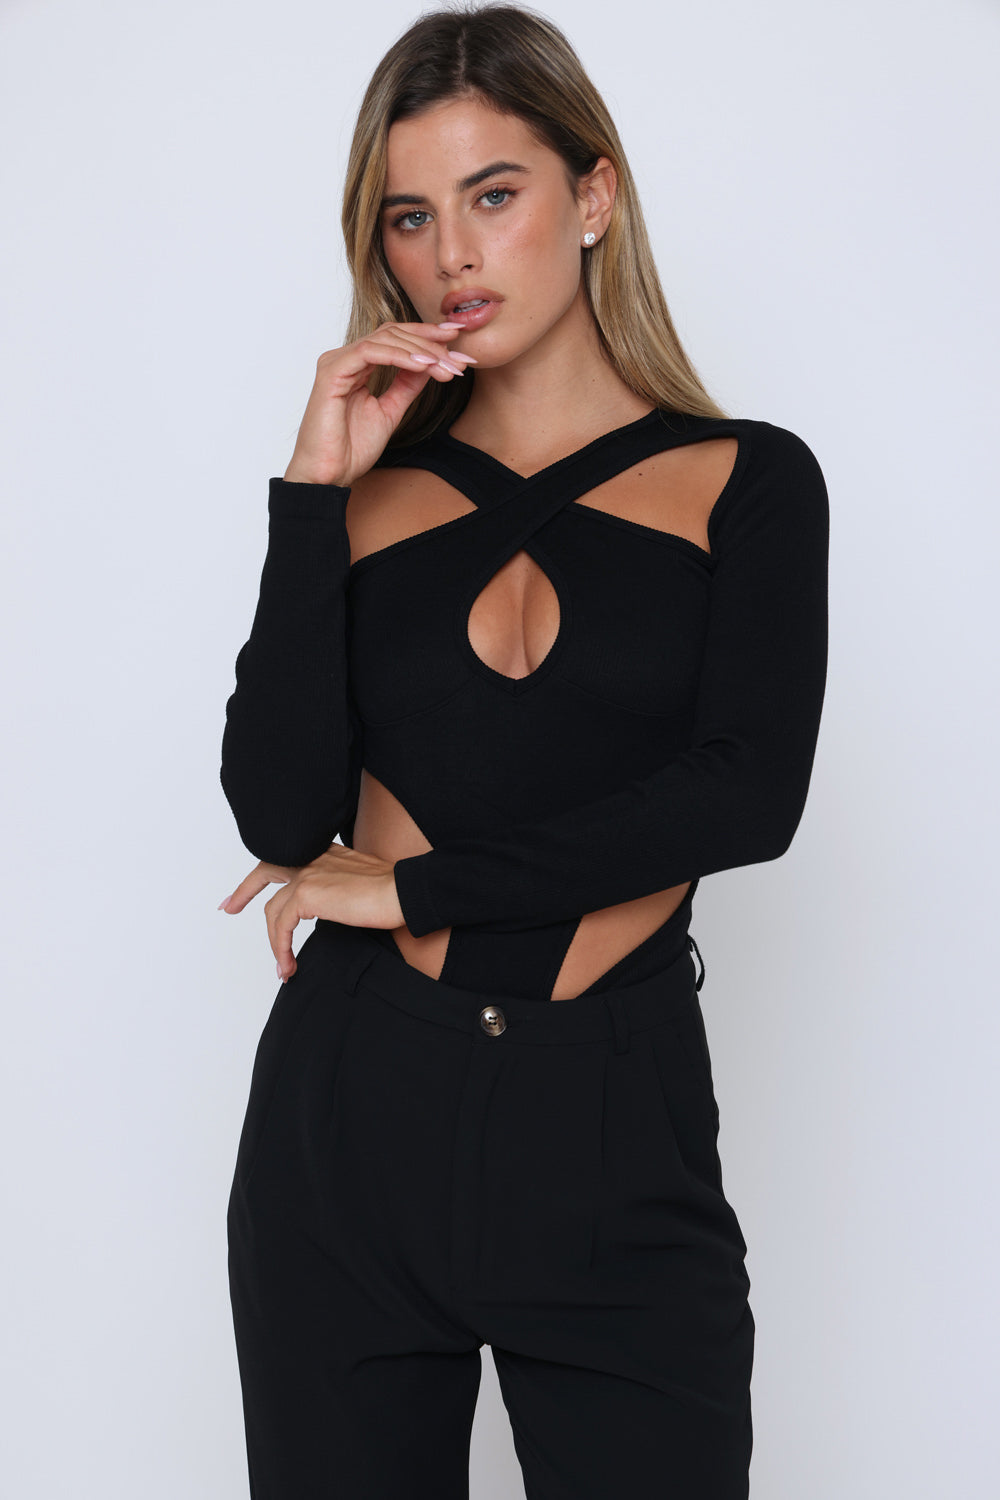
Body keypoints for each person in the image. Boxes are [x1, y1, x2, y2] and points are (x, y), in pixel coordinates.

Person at [217, 5, 829, 1496]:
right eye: (411, 217)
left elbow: (746, 796)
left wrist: (412, 889)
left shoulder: (742, 481)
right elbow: (281, 811)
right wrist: (312, 491)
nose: (453, 255)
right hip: (351, 1115)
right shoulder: (368, 498)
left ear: (593, 195)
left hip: (612, 1122)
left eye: (495, 195)